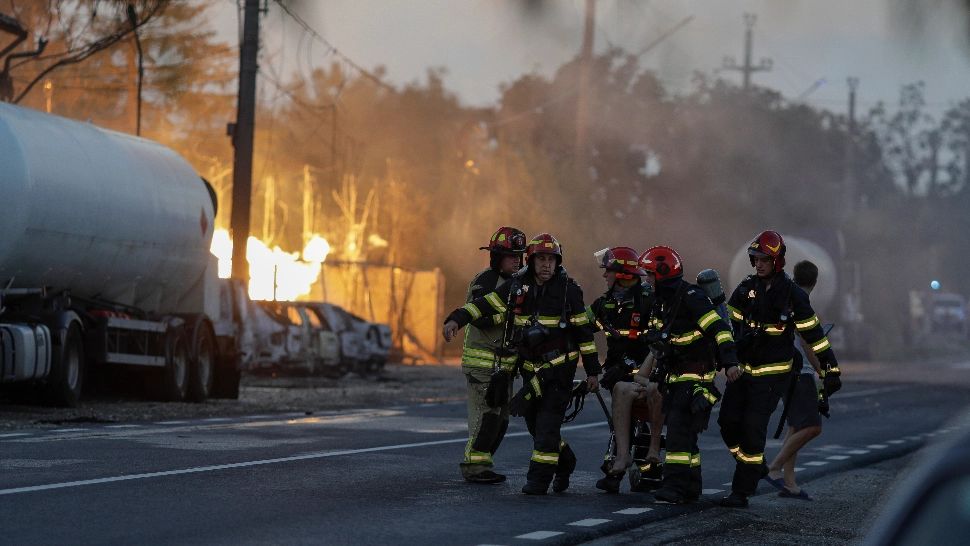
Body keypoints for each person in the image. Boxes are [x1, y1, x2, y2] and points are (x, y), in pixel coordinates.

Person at [443, 233, 601, 495]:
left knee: (548, 423)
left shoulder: (569, 291)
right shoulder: (517, 286)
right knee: (534, 424)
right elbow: (484, 305)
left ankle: (538, 481)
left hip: (560, 371)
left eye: (551, 259)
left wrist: (593, 371)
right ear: (532, 260)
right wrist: (455, 320)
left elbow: (584, 334)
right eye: (541, 259)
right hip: (530, 373)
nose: (546, 265)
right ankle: (565, 461)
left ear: (558, 262)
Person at [719, 231, 841, 508]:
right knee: (727, 423)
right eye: (756, 259)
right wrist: (727, 361)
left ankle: (741, 492)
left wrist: (831, 369)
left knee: (753, 429)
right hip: (741, 372)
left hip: (772, 377)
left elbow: (814, 335)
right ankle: (754, 465)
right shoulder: (745, 288)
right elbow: (727, 327)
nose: (758, 264)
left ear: (778, 261)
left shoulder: (793, 295)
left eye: (764, 259)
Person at [637, 246, 740, 505]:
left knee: (678, 436)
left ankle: (673, 488)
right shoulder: (663, 302)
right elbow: (659, 336)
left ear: (662, 273)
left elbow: (719, 330)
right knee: (685, 435)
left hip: (695, 379)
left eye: (649, 275)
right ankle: (692, 486)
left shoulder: (691, 297)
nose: (646, 280)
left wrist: (729, 363)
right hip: (674, 377)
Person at [585, 246, 665, 494]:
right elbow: (581, 325)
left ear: (621, 274)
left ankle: (645, 462)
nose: (604, 276)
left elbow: (659, 344)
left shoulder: (649, 300)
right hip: (617, 373)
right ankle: (619, 460)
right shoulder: (606, 302)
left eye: (607, 271)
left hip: (646, 374)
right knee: (622, 409)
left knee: (638, 414)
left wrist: (628, 368)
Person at [457, 226, 527, 484]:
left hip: (504, 367)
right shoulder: (485, 281)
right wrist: (510, 314)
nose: (517, 260)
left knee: (500, 421)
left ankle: (484, 464)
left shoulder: (519, 285)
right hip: (483, 364)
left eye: (520, 255)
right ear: (497, 257)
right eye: (511, 256)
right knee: (486, 417)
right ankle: (474, 467)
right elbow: (481, 319)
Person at [764, 260, 825, 500]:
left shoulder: (786, 298)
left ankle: (790, 484)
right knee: (813, 427)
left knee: (796, 426)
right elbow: (808, 343)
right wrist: (822, 369)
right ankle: (774, 467)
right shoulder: (802, 303)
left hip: (783, 369)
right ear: (815, 281)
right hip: (800, 373)